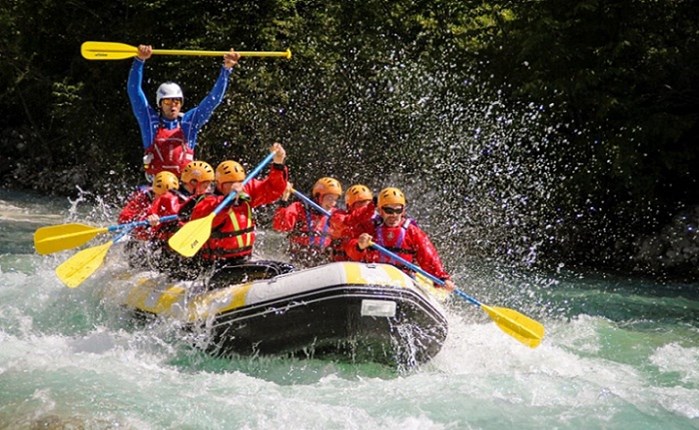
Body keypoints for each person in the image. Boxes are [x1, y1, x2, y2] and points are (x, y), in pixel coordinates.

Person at [128, 44, 241, 178]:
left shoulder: (189, 122)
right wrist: (139, 61)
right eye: (167, 101)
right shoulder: (150, 122)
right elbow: (134, 91)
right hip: (157, 187)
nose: (173, 105)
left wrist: (226, 69)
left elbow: (213, 100)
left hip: (185, 189)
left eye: (176, 101)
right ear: (160, 104)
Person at [189, 143, 288, 267]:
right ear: (220, 185)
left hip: (244, 261)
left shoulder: (246, 190)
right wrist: (229, 199)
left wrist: (278, 164)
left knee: (285, 269)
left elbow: (274, 190)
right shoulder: (208, 201)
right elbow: (210, 217)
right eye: (231, 183)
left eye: (240, 181)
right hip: (218, 266)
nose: (238, 186)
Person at [345, 187, 455, 291]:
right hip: (373, 275)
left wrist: (442, 278)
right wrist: (359, 246)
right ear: (380, 210)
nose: (394, 215)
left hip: (402, 277)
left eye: (398, 210)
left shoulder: (412, 231)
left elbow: (428, 256)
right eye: (389, 210)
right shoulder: (369, 227)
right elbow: (350, 250)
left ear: (403, 211)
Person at [272, 177, 343, 267]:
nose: (333, 203)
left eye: (335, 199)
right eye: (329, 198)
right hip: (298, 260)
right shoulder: (300, 208)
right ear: (318, 196)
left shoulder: (336, 215)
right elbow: (280, 226)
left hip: (324, 262)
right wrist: (284, 198)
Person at [118, 170, 179, 240]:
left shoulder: (174, 202)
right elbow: (123, 219)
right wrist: (147, 222)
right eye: (160, 196)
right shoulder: (143, 197)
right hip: (137, 233)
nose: (162, 199)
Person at [328, 184, 375, 261]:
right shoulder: (338, 217)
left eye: (368, 202)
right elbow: (350, 220)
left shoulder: (373, 221)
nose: (365, 205)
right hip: (343, 264)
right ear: (350, 206)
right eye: (361, 202)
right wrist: (360, 247)